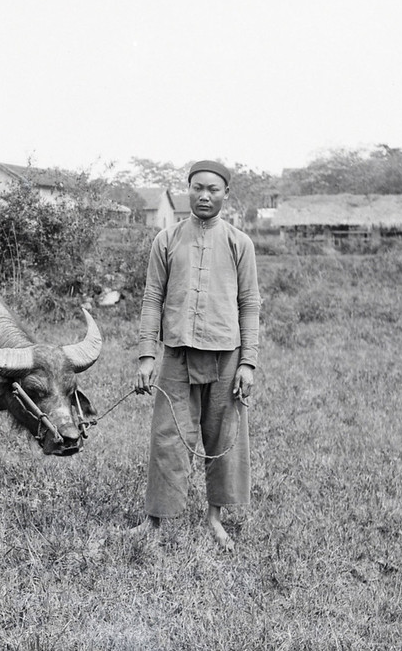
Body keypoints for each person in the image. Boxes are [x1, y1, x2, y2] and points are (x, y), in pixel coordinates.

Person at [131, 160, 261, 550]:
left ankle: (215, 519)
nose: (205, 196)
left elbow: (250, 304)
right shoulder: (166, 240)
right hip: (176, 356)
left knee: (223, 438)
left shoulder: (240, 243)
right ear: (188, 190)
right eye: (197, 188)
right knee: (167, 437)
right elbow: (153, 298)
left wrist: (248, 363)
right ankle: (154, 522)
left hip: (226, 356)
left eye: (213, 190)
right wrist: (146, 356)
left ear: (225, 194)